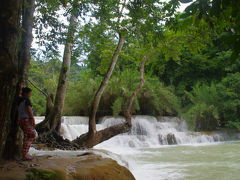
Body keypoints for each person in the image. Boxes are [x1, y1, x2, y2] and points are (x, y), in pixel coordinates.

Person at [18, 86, 37, 160]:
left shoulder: (19, 99)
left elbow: (18, 94)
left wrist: (20, 87)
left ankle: (24, 153)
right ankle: (25, 155)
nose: (30, 95)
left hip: (20, 120)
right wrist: (32, 119)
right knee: (30, 136)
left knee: (26, 136)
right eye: (29, 93)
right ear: (26, 93)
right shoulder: (27, 100)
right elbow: (29, 110)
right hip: (26, 120)